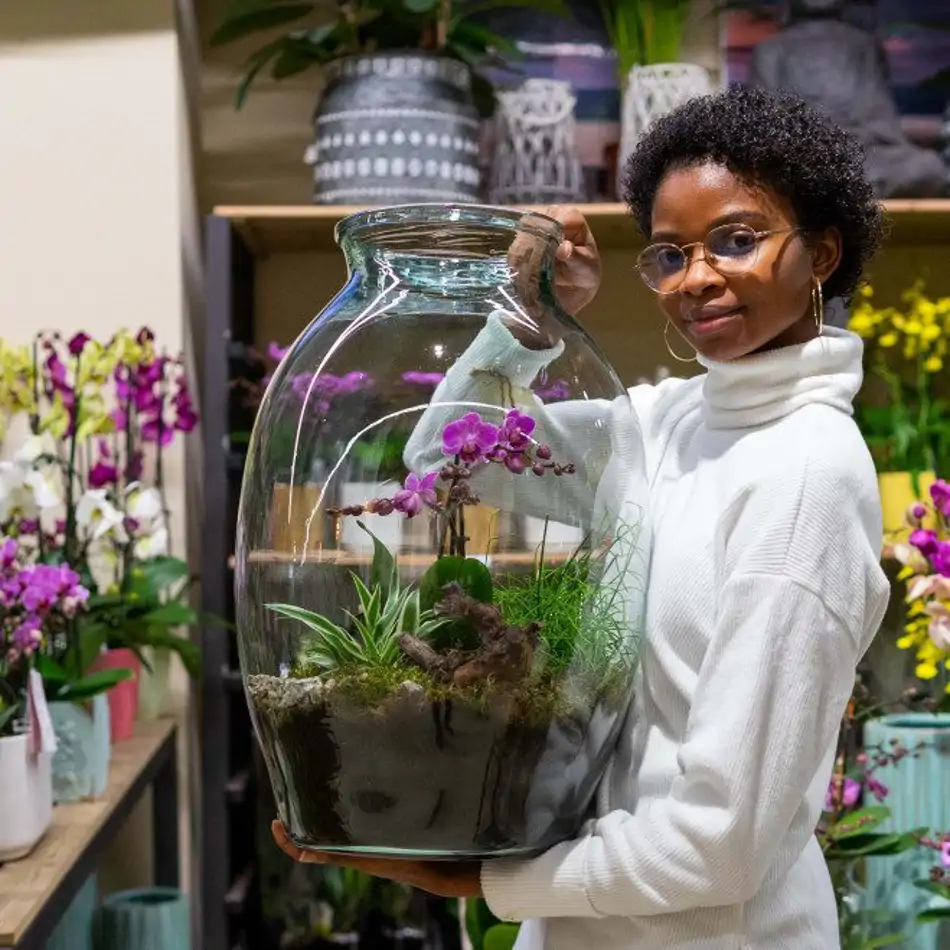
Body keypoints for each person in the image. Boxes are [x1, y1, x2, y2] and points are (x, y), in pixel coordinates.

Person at [272, 85, 891, 949]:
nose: (697, 277)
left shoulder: (805, 479)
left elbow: (722, 842)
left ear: (822, 253)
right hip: (583, 923)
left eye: (738, 240)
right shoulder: (670, 421)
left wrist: (492, 880)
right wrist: (532, 316)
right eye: (670, 255)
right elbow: (448, 457)